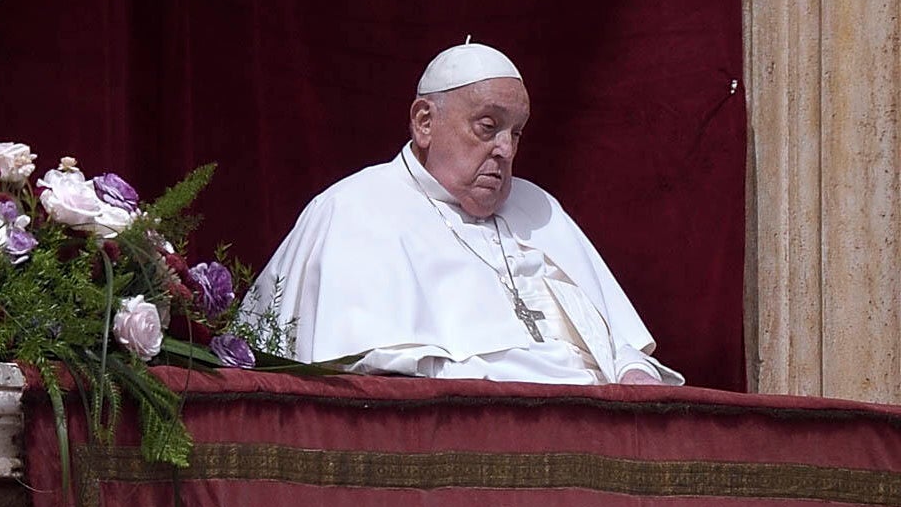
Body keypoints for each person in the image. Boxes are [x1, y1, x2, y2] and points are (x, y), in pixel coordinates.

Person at [241, 40, 683, 385]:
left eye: (517, 133)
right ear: (424, 122)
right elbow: (381, 371)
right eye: (487, 127)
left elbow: (616, 342)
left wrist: (630, 370)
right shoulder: (354, 210)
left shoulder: (539, 207)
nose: (506, 150)